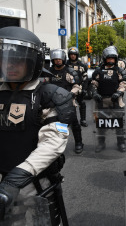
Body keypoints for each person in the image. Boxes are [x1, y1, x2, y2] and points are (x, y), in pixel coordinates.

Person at [0, 26, 75, 225]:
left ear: (32, 63)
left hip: (37, 182)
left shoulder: (49, 95)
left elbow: (53, 142)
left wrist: (17, 177)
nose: (10, 66)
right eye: (5, 60)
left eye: (17, 61)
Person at [91, 46, 126, 153]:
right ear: (105, 59)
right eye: (109, 58)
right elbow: (94, 84)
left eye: (113, 58)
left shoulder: (119, 71)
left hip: (116, 100)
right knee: (102, 123)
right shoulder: (99, 71)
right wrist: (94, 93)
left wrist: (118, 92)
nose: (111, 60)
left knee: (118, 123)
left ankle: (121, 142)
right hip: (102, 100)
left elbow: (123, 84)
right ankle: (101, 143)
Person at [45, 48, 83, 154]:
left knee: (74, 123)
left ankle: (79, 143)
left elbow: (77, 86)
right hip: (52, 103)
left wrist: (71, 94)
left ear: (63, 59)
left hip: (68, 102)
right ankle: (55, 145)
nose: (57, 61)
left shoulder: (70, 72)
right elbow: (45, 85)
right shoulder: (49, 72)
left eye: (59, 59)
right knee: (53, 125)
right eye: (55, 59)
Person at [66, 46, 89, 127]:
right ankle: (70, 120)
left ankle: (83, 120)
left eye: (74, 54)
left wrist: (84, 89)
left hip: (79, 88)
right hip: (68, 88)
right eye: (71, 54)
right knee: (69, 105)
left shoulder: (82, 65)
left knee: (82, 103)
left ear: (77, 55)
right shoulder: (65, 64)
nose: (72, 56)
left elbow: (85, 78)